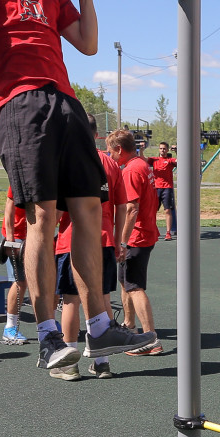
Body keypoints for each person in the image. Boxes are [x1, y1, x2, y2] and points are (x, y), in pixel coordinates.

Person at [0, 0, 154, 373]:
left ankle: (100, 325)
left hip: (63, 99)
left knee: (87, 207)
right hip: (17, 104)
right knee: (42, 215)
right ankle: (46, 335)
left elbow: (87, 43)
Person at [51, 114, 129, 380]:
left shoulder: (65, 160)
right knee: (102, 299)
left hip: (71, 240)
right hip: (104, 239)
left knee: (71, 301)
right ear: (96, 135)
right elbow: (121, 205)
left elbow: (56, 209)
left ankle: (68, 363)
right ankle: (102, 362)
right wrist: (118, 239)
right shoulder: (109, 163)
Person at [107, 128, 163, 355]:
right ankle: (129, 325)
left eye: (111, 151)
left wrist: (122, 242)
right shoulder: (141, 164)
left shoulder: (131, 171)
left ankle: (150, 340)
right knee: (125, 282)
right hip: (144, 232)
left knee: (134, 286)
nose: (110, 156)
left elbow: (131, 209)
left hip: (137, 237)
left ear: (120, 149)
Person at [0, 186, 29, 343]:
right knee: (20, 282)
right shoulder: (21, 175)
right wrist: (10, 239)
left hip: (35, 235)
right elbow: (9, 205)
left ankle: (49, 325)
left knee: (47, 281)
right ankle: (9, 327)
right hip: (17, 236)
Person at [147, 141, 177, 240]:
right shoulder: (154, 160)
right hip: (156, 188)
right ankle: (153, 230)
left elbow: (180, 161)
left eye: (164, 148)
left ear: (167, 150)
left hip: (167, 188)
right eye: (161, 148)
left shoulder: (170, 160)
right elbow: (142, 160)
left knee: (167, 210)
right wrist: (141, 149)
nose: (162, 150)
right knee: (153, 210)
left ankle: (168, 232)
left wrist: (177, 151)